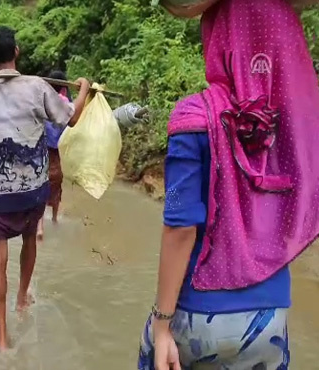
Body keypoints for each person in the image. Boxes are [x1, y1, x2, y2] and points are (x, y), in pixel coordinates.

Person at [138, 0, 319, 369]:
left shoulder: (193, 117)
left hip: (198, 314)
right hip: (270, 318)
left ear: (219, 38)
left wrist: (161, 323)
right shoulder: (295, 127)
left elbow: (181, 228)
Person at [0, 26, 90, 351]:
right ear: (16, 52)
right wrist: (83, 89)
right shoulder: (37, 87)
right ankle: (22, 299)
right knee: (30, 241)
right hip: (31, 191)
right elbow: (70, 118)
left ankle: (1, 339)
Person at [36, 70, 71, 239]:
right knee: (56, 188)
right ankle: (55, 219)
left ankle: (40, 227)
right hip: (58, 153)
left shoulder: (42, 101)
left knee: (41, 187)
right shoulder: (65, 103)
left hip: (42, 152)